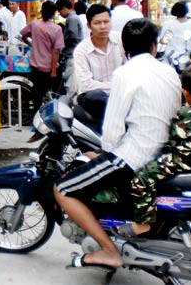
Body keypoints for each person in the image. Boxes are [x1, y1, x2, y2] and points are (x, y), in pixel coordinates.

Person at [54, 18, 181, 270]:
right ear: (154, 47)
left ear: (124, 50)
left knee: (63, 189)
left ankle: (109, 251)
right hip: (163, 155)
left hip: (133, 157)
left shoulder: (124, 74)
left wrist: (101, 156)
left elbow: (112, 131)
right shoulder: (169, 71)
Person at [116, 63, 191, 239]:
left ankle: (143, 223)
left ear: (185, 92)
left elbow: (172, 141)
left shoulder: (184, 113)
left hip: (184, 160)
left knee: (142, 178)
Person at [72, 4, 125, 122]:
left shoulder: (120, 40)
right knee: (95, 97)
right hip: (93, 99)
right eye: (97, 23)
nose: (103, 27)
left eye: (106, 22)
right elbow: (85, 85)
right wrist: (116, 87)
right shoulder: (81, 50)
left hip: (121, 95)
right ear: (89, 26)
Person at [20, 0, 64, 109]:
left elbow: (23, 36)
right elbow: (56, 51)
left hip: (36, 68)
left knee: (37, 95)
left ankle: (36, 116)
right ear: (54, 13)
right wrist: (53, 71)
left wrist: (31, 44)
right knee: (57, 94)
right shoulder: (57, 29)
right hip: (49, 68)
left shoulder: (34, 24)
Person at [56, 0, 83, 85]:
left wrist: (62, 42)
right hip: (72, 52)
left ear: (64, 8)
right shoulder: (73, 18)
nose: (60, 14)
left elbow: (72, 35)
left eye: (60, 11)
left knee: (69, 81)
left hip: (72, 53)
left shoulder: (72, 19)